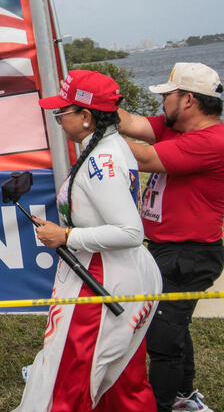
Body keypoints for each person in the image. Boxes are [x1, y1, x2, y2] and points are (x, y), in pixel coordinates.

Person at [16, 70, 160, 411]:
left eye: (62, 112)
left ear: (86, 116)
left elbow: (130, 232)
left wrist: (66, 235)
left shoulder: (102, 159)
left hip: (100, 284)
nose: (58, 120)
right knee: (123, 383)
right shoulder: (107, 148)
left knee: (68, 385)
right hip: (113, 276)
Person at [117, 62, 224, 412]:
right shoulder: (174, 126)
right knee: (172, 326)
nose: (162, 101)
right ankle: (184, 397)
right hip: (166, 249)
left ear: (189, 100)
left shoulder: (212, 141)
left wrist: (94, 131)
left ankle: (163, 405)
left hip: (189, 255)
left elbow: (144, 157)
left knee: (162, 336)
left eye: (168, 95)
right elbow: (131, 124)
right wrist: (90, 100)